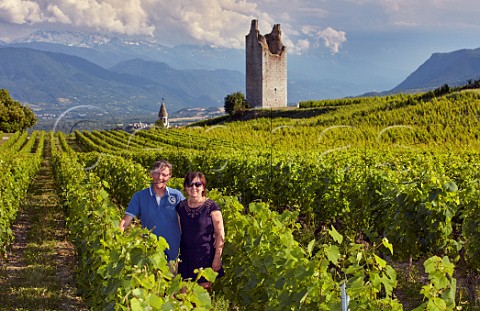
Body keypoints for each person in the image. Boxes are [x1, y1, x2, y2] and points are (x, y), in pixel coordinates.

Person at [120, 160, 185, 262]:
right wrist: (117, 237)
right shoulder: (139, 196)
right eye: (157, 173)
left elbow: (186, 221)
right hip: (150, 254)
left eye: (164, 175)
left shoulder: (177, 196)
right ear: (151, 174)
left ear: (169, 176)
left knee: (172, 277)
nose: (160, 178)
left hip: (174, 254)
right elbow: (126, 220)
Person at [176, 172, 225, 291]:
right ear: (185, 187)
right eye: (190, 184)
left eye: (198, 184)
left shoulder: (212, 207)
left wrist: (217, 258)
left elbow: (220, 235)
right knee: (184, 295)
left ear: (203, 187)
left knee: (202, 294)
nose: (194, 188)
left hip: (205, 256)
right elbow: (179, 232)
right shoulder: (180, 207)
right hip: (186, 257)